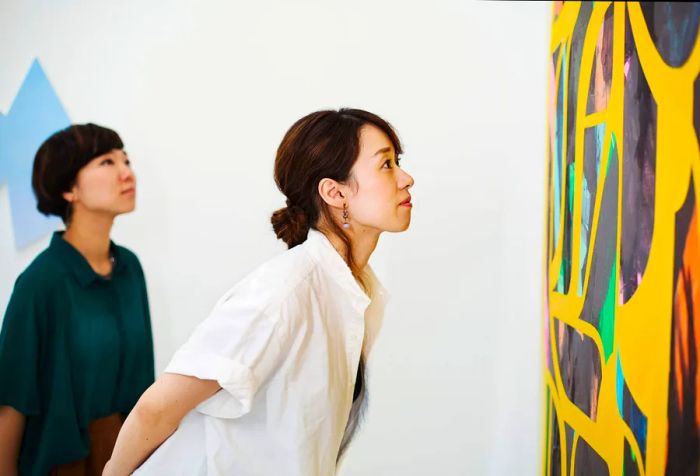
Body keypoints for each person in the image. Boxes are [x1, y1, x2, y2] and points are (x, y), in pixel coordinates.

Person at [104, 108, 414, 476]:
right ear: (334, 192)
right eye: (386, 165)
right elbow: (157, 408)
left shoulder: (357, 294)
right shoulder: (285, 292)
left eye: (399, 162)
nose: (407, 179)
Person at [0, 124, 155, 476]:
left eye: (126, 160)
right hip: (61, 465)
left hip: (127, 458)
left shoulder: (129, 267)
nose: (126, 172)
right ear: (69, 189)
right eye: (106, 162)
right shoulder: (41, 283)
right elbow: (11, 404)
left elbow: (143, 387)